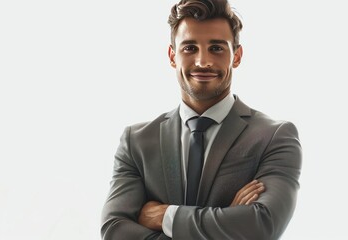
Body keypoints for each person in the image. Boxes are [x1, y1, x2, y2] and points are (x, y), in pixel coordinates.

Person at [101, 0, 302, 239]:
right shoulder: (137, 142)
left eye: (216, 48)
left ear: (236, 56)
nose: (202, 62)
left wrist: (166, 216)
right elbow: (114, 230)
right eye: (189, 48)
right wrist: (227, 218)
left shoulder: (274, 137)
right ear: (172, 56)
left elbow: (261, 226)